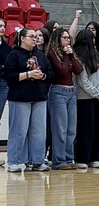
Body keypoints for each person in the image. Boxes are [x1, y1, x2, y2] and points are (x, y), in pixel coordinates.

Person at [4, 28, 52, 172]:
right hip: (20, 98)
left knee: (39, 131)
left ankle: (36, 161)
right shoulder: (14, 55)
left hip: (39, 98)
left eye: (36, 36)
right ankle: (14, 161)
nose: (35, 39)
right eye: (31, 36)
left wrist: (42, 76)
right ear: (22, 39)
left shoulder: (41, 56)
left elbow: (50, 74)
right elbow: (9, 75)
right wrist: (28, 74)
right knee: (19, 131)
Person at [73, 28, 99, 169]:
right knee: (84, 129)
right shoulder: (78, 57)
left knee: (97, 128)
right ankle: (82, 158)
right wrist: (98, 94)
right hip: (83, 99)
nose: (94, 41)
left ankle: (95, 156)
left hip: (97, 98)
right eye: (92, 39)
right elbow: (83, 82)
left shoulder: (95, 55)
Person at [46, 27, 82, 170]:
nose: (68, 40)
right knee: (60, 128)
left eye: (69, 38)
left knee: (71, 129)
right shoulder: (51, 53)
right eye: (65, 38)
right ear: (58, 39)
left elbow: (78, 70)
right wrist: (67, 56)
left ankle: (68, 158)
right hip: (58, 92)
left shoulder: (69, 54)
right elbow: (62, 70)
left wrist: (72, 56)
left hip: (71, 93)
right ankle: (58, 160)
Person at [0, 18, 11, 165]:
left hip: (3, 84)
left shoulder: (7, 48)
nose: (2, 28)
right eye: (0, 26)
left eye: (3, 26)